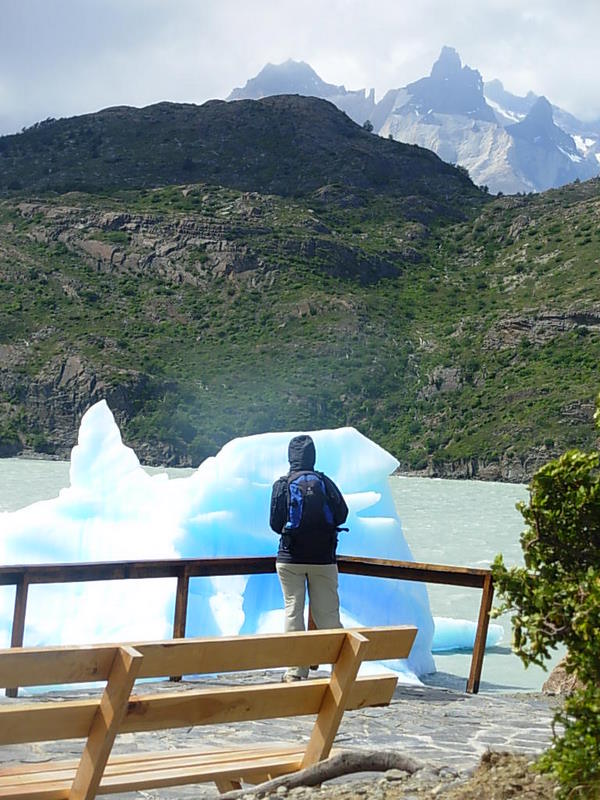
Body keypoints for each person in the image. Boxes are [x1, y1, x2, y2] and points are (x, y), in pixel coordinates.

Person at [269, 434, 348, 681]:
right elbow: (342, 514)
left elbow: (275, 523)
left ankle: (295, 672)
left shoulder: (282, 485)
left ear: (291, 457)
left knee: (293, 612)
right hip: (323, 559)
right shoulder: (325, 482)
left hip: (291, 558)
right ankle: (341, 671)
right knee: (329, 616)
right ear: (312, 457)